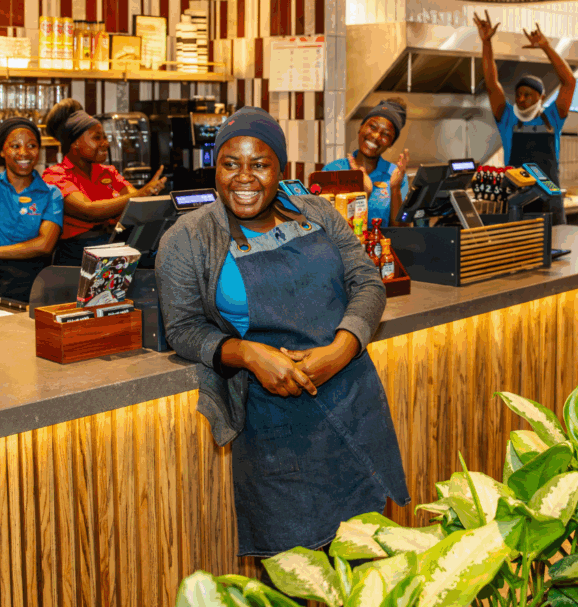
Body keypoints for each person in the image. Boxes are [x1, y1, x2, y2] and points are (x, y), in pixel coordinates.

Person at [155, 107, 408, 556]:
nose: (244, 177)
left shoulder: (317, 212)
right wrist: (248, 354)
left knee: (370, 566)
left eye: (259, 164)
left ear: (281, 168)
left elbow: (367, 281)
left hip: (353, 404)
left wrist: (341, 348)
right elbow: (183, 329)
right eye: (230, 164)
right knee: (296, 575)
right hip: (275, 425)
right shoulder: (188, 238)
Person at [0, 82, 64, 302]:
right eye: (15, 146)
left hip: (35, 289)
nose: (24, 152)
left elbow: (44, 245)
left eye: (32, 145)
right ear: (2, 151)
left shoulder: (51, 193)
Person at [475, 11, 576, 224]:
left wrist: (546, 47)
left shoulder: (553, 117)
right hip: (516, 203)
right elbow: (492, 83)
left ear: (541, 97)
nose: (521, 99)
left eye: (528, 95)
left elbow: (569, 82)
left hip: (550, 203)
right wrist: (486, 43)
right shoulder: (507, 118)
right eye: (518, 94)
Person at [41, 101, 166, 266]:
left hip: (114, 244)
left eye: (105, 137)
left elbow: (136, 203)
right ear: (75, 143)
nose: (105, 143)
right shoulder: (55, 175)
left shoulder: (108, 172)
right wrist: (142, 193)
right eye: (97, 138)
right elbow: (89, 210)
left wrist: (148, 195)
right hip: (79, 255)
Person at [324, 98, 410, 227]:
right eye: (372, 127)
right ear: (361, 127)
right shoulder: (333, 170)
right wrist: (361, 195)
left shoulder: (396, 176)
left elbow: (402, 231)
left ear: (391, 143)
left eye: (386, 134)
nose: (376, 136)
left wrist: (395, 189)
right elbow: (325, 225)